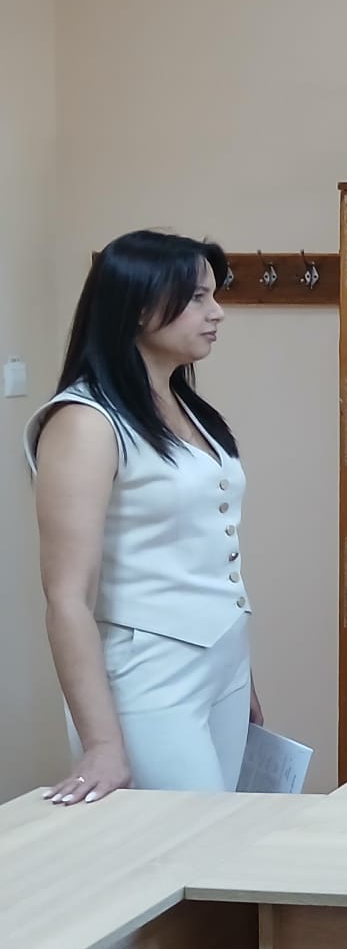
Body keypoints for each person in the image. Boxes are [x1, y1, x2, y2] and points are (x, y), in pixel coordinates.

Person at [27, 230, 260, 802]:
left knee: (220, 837)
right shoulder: (86, 421)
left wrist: (243, 676)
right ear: (137, 307)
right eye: (198, 297)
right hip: (147, 669)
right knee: (183, 839)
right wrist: (101, 744)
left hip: (224, 661)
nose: (217, 312)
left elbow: (207, 551)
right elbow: (66, 597)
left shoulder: (186, 407)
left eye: (214, 295)